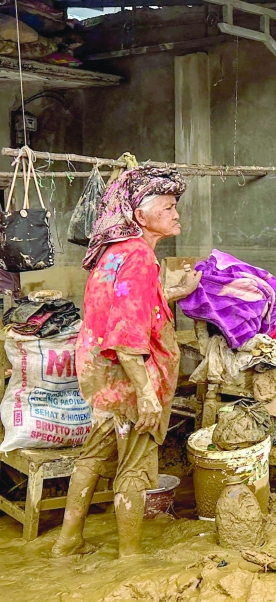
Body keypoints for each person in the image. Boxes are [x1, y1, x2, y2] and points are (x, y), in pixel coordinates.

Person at [52, 167, 201, 558]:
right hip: (128, 377)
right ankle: (131, 557)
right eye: (167, 207)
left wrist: (171, 293)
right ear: (140, 214)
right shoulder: (139, 257)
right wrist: (148, 394)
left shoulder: (116, 253)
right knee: (135, 463)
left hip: (103, 375)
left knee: (94, 454)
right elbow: (127, 335)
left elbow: (127, 308)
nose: (175, 214)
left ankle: (68, 540)